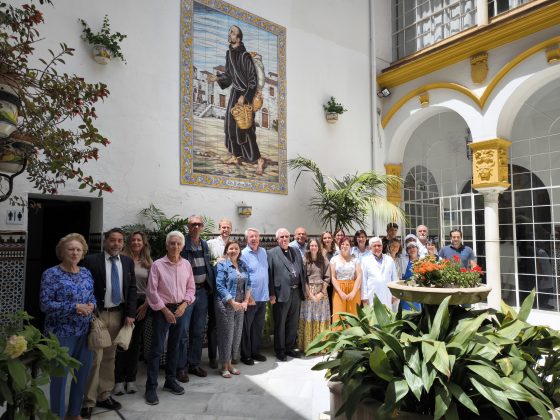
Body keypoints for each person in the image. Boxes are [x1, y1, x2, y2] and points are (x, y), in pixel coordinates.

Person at [81, 228, 136, 419]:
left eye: (120, 241)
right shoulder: (92, 261)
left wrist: (130, 314)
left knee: (110, 358)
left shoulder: (128, 262)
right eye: (112, 240)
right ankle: (88, 401)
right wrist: (90, 312)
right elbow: (84, 287)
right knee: (95, 358)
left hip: (119, 315)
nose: (116, 244)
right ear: (105, 242)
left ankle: (104, 395)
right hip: (98, 315)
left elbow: (132, 288)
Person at [40, 233, 96, 420]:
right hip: (60, 334)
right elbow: (45, 304)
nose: (75, 252)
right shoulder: (51, 274)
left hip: (85, 332)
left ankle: (74, 413)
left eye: (78, 249)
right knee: (59, 377)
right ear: (62, 252)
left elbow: (92, 297)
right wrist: (74, 307)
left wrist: (91, 306)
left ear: (83, 253)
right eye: (70, 249)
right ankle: (57, 415)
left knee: (82, 375)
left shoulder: (86, 272)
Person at [206, 25, 265, 175]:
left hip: (245, 94)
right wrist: (217, 78)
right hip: (234, 94)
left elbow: (252, 80)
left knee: (246, 129)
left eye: (232, 32)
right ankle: (236, 156)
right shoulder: (229, 54)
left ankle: (259, 160)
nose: (229, 34)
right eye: (229, 32)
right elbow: (229, 75)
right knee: (230, 126)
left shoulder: (244, 56)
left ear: (238, 38)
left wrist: (245, 96)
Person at [145, 231, 195, 405]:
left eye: (178, 244)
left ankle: (170, 380)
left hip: (180, 309)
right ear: (167, 246)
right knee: (157, 349)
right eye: (172, 243)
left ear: (182, 246)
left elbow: (191, 289)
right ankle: (151, 387)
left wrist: (184, 305)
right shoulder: (157, 265)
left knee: (175, 346)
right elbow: (151, 291)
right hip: (161, 310)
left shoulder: (187, 265)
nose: (175, 246)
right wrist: (164, 310)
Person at [114, 231, 153, 396]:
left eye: (139, 240)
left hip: (141, 305)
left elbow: (153, 287)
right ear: (129, 242)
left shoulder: (149, 263)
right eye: (133, 240)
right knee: (122, 342)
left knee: (135, 343)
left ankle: (131, 379)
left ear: (143, 243)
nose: (136, 242)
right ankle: (118, 380)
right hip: (124, 304)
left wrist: (145, 305)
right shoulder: (121, 259)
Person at [179, 215, 217, 378]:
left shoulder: (204, 244)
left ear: (202, 227)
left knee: (198, 331)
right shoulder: (182, 243)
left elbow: (207, 265)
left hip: (202, 292)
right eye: (193, 224)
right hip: (186, 294)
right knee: (183, 331)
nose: (196, 227)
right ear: (188, 226)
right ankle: (181, 367)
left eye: (199, 224)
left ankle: (194, 364)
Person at [215, 240, 252, 378]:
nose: (234, 250)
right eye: (231, 248)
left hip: (240, 305)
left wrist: (246, 301)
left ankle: (230, 363)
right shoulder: (222, 265)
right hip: (226, 305)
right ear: (226, 250)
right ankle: (223, 366)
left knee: (236, 334)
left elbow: (249, 283)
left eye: (236, 248)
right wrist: (232, 302)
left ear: (239, 251)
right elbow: (219, 286)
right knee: (227, 335)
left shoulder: (243, 265)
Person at [268, 228, 305, 361]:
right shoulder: (271, 253)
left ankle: (289, 347)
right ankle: (280, 350)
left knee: (293, 322)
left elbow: (301, 270)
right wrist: (271, 293)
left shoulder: (295, 251)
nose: (284, 239)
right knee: (281, 322)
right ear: (277, 239)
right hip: (280, 293)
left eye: (287, 237)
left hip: (296, 291)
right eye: (282, 237)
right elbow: (270, 274)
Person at [240, 228, 269, 365]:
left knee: (258, 327)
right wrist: (248, 296)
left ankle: (255, 352)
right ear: (247, 239)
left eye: (256, 236)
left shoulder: (263, 252)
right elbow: (244, 277)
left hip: (263, 296)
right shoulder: (243, 254)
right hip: (250, 297)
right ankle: (245, 355)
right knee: (247, 327)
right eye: (251, 236)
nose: (254, 238)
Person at [297, 239, 331, 351]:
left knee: (320, 316)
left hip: (322, 291)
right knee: (309, 316)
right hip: (308, 292)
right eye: (311, 245)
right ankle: (308, 346)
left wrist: (322, 293)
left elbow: (327, 277)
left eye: (315, 245)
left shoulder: (324, 260)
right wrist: (310, 294)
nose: (313, 247)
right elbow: (303, 279)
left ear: (318, 247)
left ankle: (321, 346)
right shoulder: (305, 260)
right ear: (309, 247)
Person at [330, 236, 362, 325]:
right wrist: (340, 292)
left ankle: (354, 337)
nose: (345, 246)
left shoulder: (355, 259)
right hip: (338, 289)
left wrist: (354, 292)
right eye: (343, 244)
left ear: (350, 246)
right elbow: (333, 277)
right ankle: (338, 337)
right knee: (338, 315)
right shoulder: (334, 259)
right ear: (339, 246)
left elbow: (359, 275)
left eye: (347, 244)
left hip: (353, 288)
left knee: (353, 314)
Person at [361, 237, 398, 308]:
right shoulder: (365, 260)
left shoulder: (389, 259)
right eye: (374, 246)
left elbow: (394, 278)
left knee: (387, 316)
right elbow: (363, 280)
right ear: (370, 248)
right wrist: (364, 297)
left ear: (382, 246)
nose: (377, 248)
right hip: (372, 295)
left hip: (387, 295)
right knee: (373, 317)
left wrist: (394, 295)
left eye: (379, 245)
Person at [400, 242, 422, 310]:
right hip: (405, 293)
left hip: (418, 292)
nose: (411, 249)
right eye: (409, 248)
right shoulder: (403, 262)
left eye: (413, 247)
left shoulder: (422, 261)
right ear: (407, 251)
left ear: (417, 249)